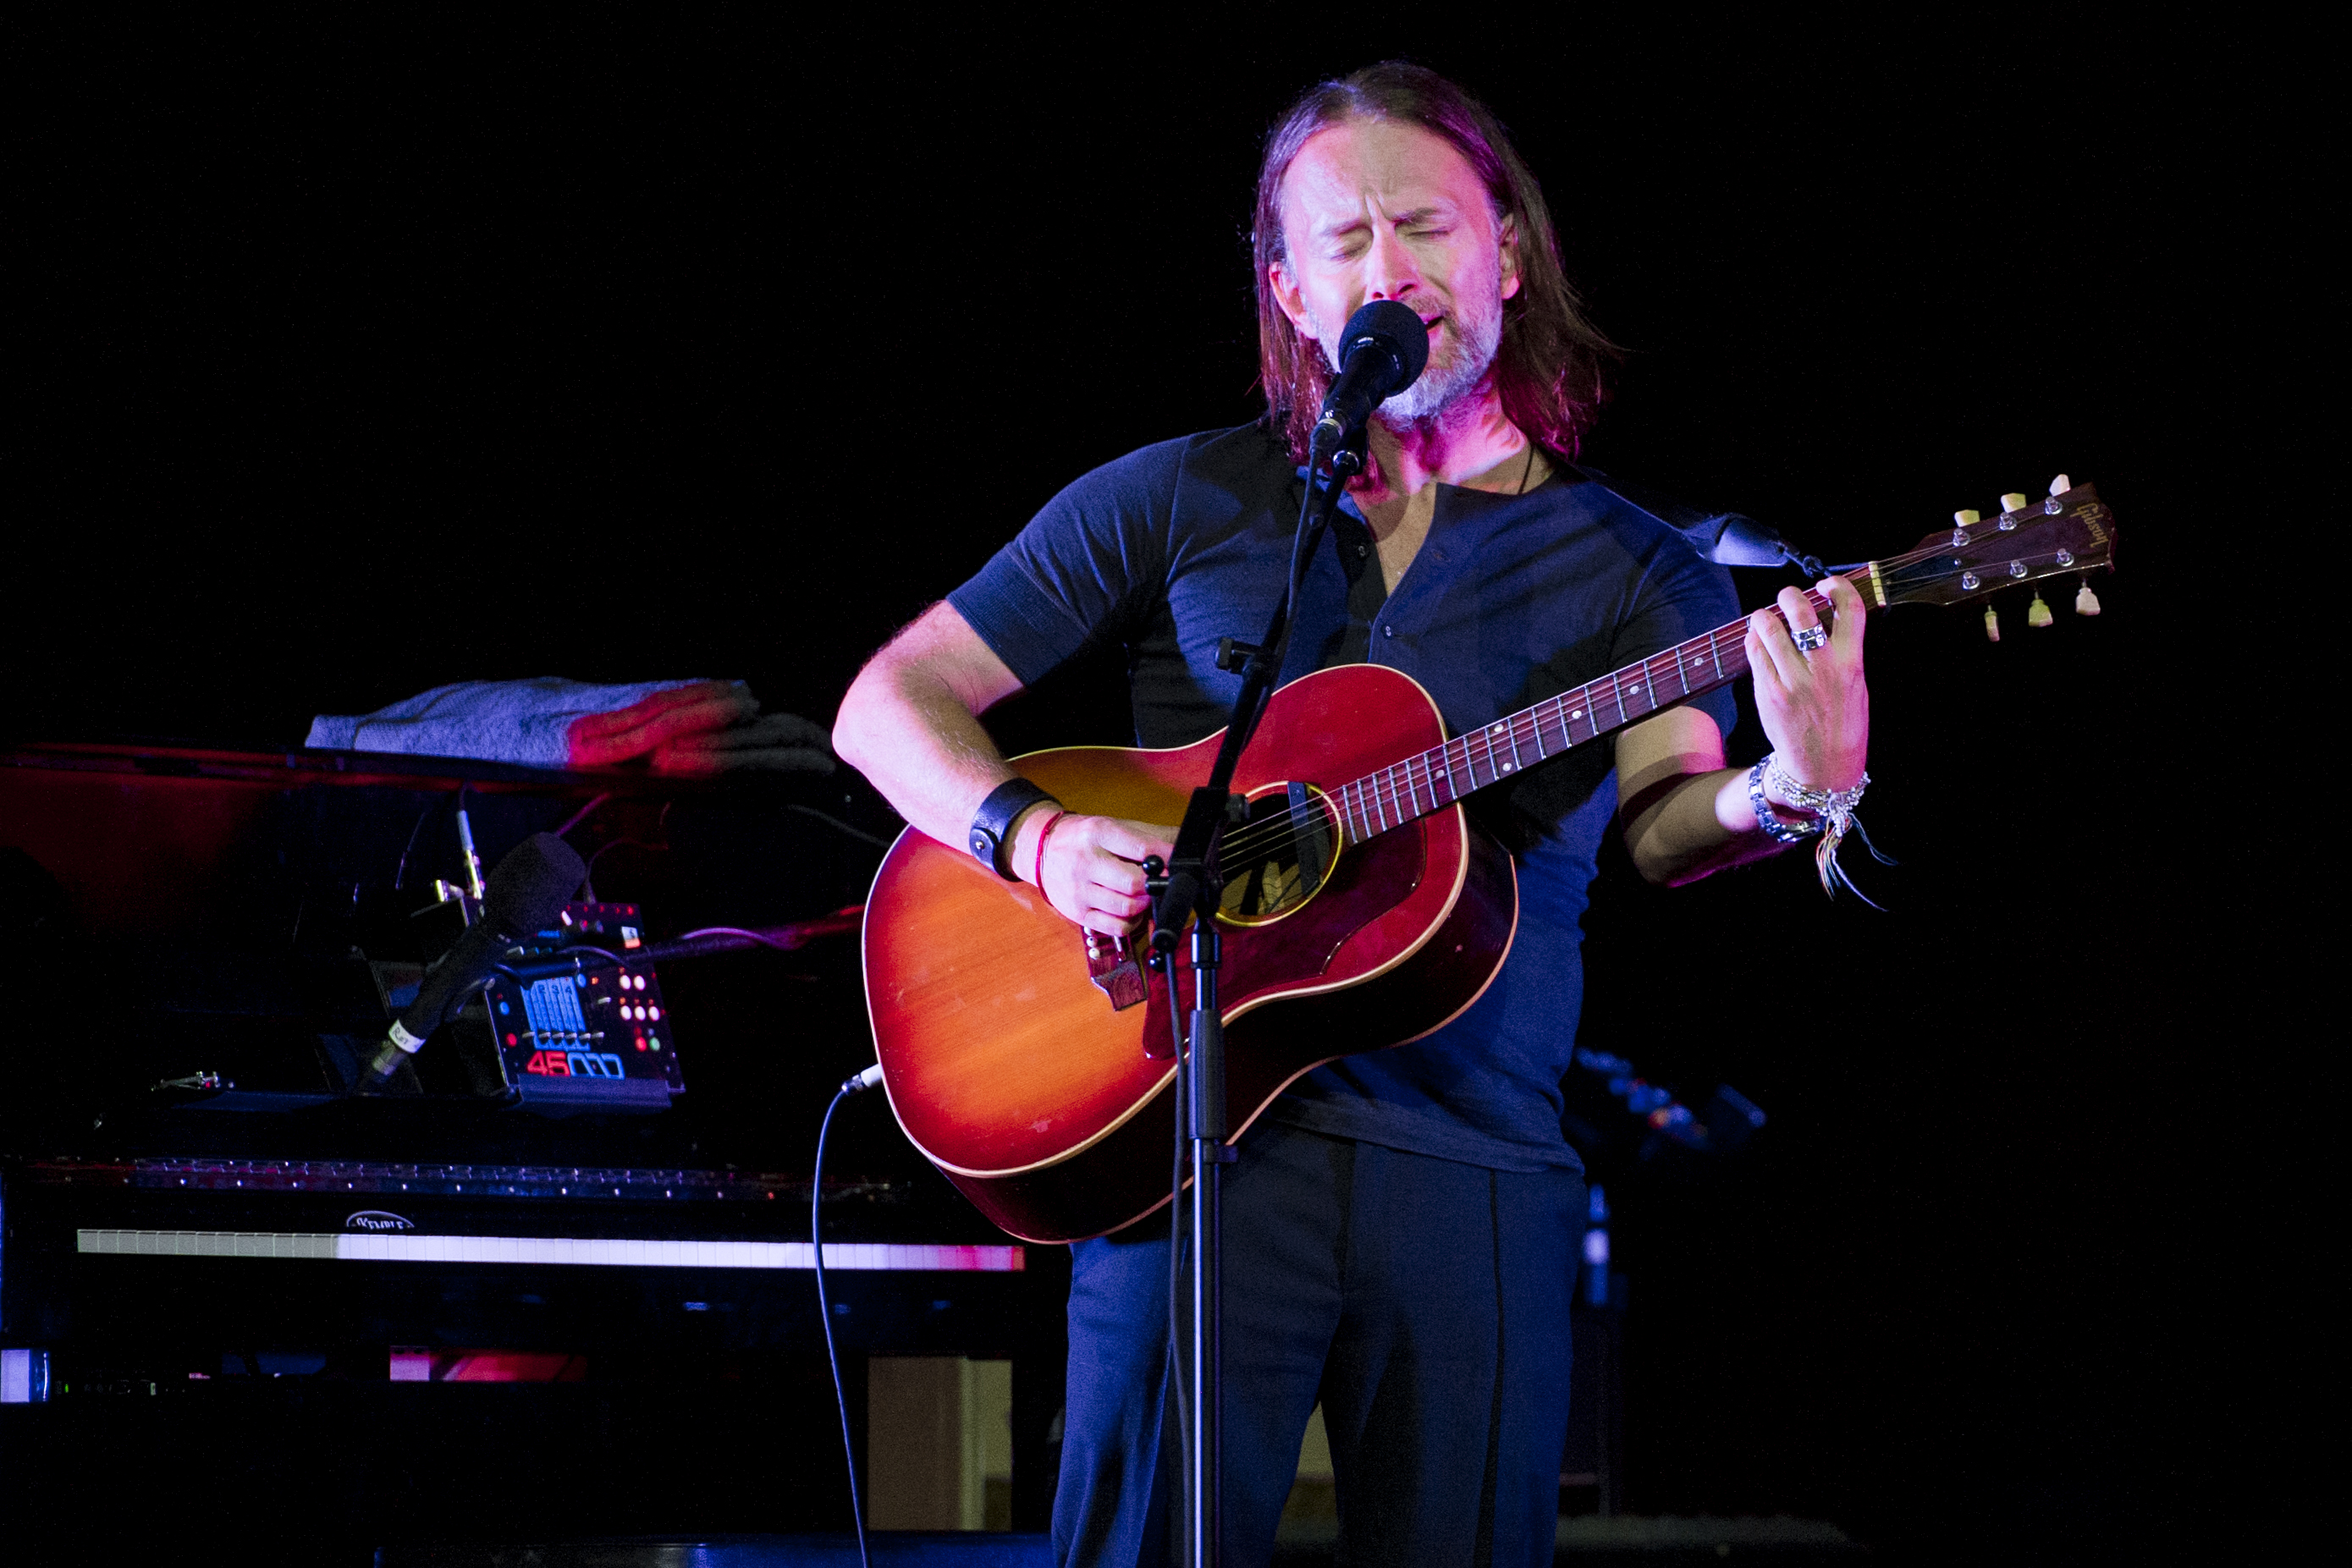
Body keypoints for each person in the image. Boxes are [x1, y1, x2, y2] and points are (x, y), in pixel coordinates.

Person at [832, 62, 1870, 1568]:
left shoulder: (1641, 567)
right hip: (1183, 1141)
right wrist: (1038, 839)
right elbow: (887, 703)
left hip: (1476, 1173)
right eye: (1348, 241)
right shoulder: (1188, 494)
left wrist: (1799, 782)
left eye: (1429, 227)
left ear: (1509, 253)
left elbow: (1665, 818)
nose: (1395, 270)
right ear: (1292, 294)